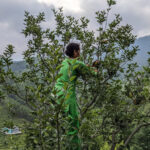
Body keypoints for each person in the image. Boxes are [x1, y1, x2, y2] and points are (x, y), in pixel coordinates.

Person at [55, 43, 97, 150]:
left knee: (64, 124)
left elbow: (80, 67)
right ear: (75, 51)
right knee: (73, 125)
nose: (80, 52)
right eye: (79, 50)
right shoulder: (77, 63)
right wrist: (95, 68)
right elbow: (91, 74)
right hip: (67, 96)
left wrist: (86, 66)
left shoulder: (65, 62)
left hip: (56, 94)